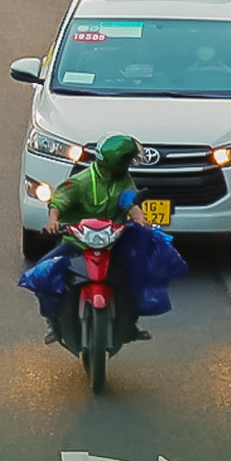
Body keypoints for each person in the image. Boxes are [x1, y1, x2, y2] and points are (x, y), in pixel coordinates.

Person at [40, 133, 152, 344]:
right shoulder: (80, 182)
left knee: (137, 272)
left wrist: (141, 220)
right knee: (44, 270)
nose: (130, 163)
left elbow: (130, 202)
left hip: (112, 242)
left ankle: (130, 324)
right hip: (76, 243)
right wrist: (53, 221)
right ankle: (52, 322)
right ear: (118, 161)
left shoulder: (124, 179)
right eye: (127, 159)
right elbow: (58, 203)